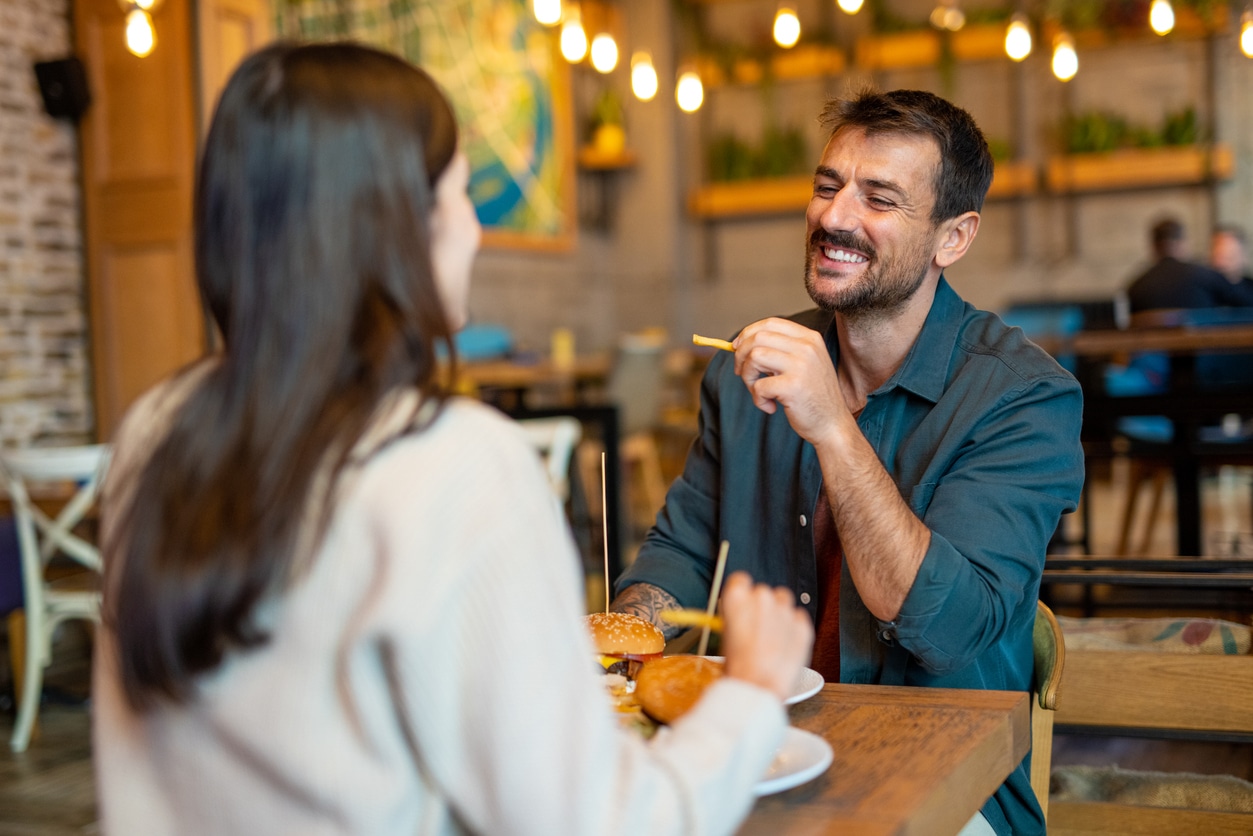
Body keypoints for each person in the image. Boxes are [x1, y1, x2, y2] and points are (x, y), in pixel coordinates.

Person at [92, 41, 813, 836]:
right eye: (461, 195)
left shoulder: (154, 429)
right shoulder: (453, 464)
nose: (473, 231)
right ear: (397, 225)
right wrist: (748, 690)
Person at [611, 88, 1085, 836]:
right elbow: (681, 554)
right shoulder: (743, 369)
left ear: (951, 238)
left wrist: (832, 425)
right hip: (756, 750)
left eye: (879, 198)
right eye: (827, 187)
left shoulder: (1023, 398)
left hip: (946, 782)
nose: (833, 217)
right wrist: (623, 631)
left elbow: (947, 627)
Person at [1126, 217, 1251, 313]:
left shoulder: (1135, 288)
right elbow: (1245, 303)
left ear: (1153, 248)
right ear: (1183, 244)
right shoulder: (1203, 276)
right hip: (1206, 346)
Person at [1210, 223, 1253, 304]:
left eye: (1230, 256)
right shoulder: (1204, 289)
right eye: (1219, 255)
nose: (1222, 262)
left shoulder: (1250, 289)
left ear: (1244, 256)